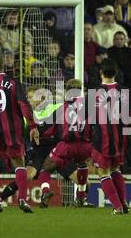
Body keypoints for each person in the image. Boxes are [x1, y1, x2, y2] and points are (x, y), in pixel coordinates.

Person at [0, 56, 39, 213]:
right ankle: (22, 199)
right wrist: (32, 126)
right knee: (19, 164)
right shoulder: (14, 83)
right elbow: (24, 105)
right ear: (4, 66)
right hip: (13, 131)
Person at [37, 79, 92, 208]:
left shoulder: (63, 108)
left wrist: (43, 134)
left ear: (67, 91)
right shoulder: (89, 106)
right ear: (81, 91)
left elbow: (52, 129)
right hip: (85, 146)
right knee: (82, 164)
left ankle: (45, 192)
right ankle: (81, 199)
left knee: (45, 169)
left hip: (67, 145)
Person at [91, 58, 131, 215]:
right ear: (116, 73)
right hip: (120, 139)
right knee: (116, 168)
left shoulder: (95, 93)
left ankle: (117, 206)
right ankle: (123, 202)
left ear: (101, 72)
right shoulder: (125, 92)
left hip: (103, 138)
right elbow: (130, 117)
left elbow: (90, 118)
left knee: (102, 171)